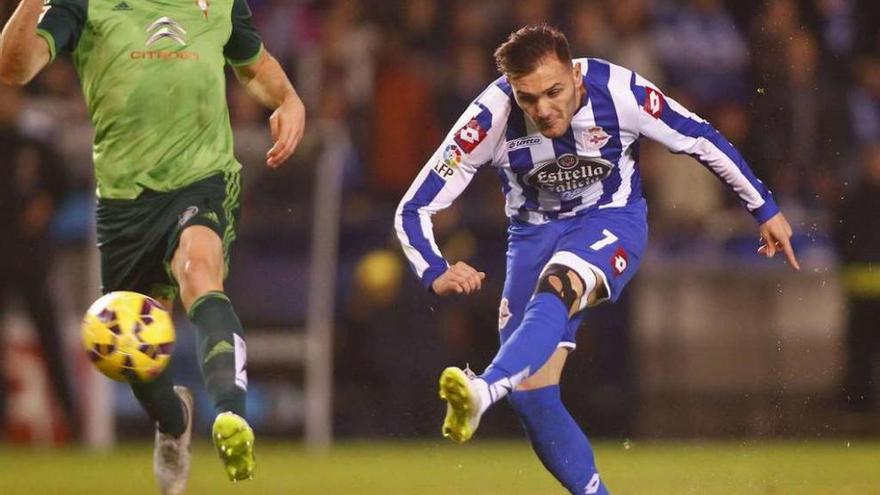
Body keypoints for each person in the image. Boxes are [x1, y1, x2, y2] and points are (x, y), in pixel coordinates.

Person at [395, 25, 799, 494]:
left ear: (575, 75)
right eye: (529, 99)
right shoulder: (490, 116)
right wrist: (434, 268)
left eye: (554, 92)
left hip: (612, 221)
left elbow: (699, 136)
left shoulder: (620, 91)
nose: (543, 109)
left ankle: (484, 388)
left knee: (561, 284)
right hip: (531, 236)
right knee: (531, 397)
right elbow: (413, 206)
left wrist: (764, 208)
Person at [0, 0, 305, 492]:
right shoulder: (82, 4)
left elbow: (255, 64)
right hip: (125, 201)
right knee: (129, 349)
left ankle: (231, 415)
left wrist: (288, 100)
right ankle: (172, 419)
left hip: (201, 178)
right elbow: (14, 68)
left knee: (199, 268)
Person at [0, 83, 79, 439]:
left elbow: (65, 181)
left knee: (51, 341)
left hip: (31, 258)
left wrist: (47, 202)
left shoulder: (36, 139)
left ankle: (74, 424)